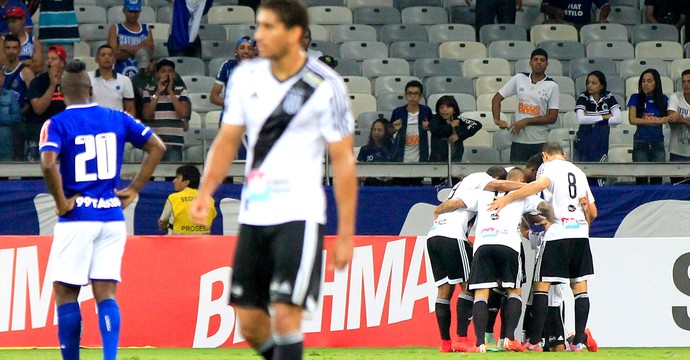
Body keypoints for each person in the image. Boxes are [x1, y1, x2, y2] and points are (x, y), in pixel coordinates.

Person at [188, 1, 357, 359]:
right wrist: (205, 191)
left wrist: (345, 234)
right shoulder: (245, 77)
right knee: (249, 323)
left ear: (294, 34)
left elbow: (343, 162)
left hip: (299, 213)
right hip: (254, 213)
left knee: (284, 314)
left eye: (267, 27)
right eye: (258, 26)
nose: (258, 36)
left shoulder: (326, 85)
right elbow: (227, 140)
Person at [38, 59, 165, 360]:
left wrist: (60, 202)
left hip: (77, 218)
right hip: (111, 217)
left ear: (61, 91)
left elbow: (47, 162)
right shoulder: (116, 117)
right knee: (105, 294)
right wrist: (134, 188)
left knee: (66, 292)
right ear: (92, 88)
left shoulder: (56, 124)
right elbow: (157, 146)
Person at [488, 142, 597, 352]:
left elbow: (539, 186)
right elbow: (592, 212)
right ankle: (578, 341)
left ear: (545, 156)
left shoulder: (547, 167)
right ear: (564, 154)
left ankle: (535, 340)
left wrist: (508, 197)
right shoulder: (579, 172)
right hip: (581, 234)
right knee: (580, 288)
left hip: (558, 233)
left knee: (541, 286)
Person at [448, 168, 549, 353]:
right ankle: (509, 338)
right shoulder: (524, 194)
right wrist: (551, 220)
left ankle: (480, 343)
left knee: (481, 293)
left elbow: (458, 203)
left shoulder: (482, 192)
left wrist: (440, 212)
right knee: (514, 290)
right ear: (521, 180)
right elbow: (544, 208)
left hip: (483, 244)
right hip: (508, 244)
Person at [429, 166, 526, 353]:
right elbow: (456, 203)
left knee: (444, 291)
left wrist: (439, 213)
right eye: (500, 182)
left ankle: (446, 343)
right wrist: (527, 187)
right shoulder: (481, 180)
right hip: (453, 236)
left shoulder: (465, 184)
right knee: (469, 286)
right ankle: (462, 339)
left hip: (434, 235)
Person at [492, 48, 559, 163]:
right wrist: (497, 120)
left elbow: (552, 118)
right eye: (535, 59)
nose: (538, 62)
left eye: (542, 60)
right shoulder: (519, 78)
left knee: (538, 176)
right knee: (518, 176)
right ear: (530, 62)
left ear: (547, 64)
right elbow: (496, 99)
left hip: (540, 141)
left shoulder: (552, 85)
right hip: (519, 140)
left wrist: (526, 121)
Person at [574, 70, 622, 186]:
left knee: (600, 169)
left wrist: (590, 117)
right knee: (585, 170)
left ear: (602, 85)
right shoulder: (583, 97)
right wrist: (605, 117)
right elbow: (581, 119)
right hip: (585, 137)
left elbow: (618, 119)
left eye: (594, 83)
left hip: (601, 138)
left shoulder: (609, 96)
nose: (589, 85)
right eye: (588, 83)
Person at [141, 58, 191, 162]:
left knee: (172, 175)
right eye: (163, 71)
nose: (167, 74)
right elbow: (147, 114)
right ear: (157, 75)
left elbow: (183, 113)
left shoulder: (181, 91)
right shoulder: (148, 91)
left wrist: (170, 92)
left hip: (174, 142)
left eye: (170, 71)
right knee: (151, 176)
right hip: (154, 143)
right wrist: (158, 93)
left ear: (174, 75)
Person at [25, 45, 67, 162]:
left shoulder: (70, 82)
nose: (49, 61)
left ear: (62, 63)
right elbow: (38, 108)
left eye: (54, 59)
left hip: (63, 132)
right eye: (48, 58)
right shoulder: (38, 82)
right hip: (41, 131)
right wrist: (52, 85)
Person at [627, 68, 668, 185]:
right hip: (641, 142)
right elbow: (632, 119)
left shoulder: (663, 99)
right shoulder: (635, 97)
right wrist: (654, 121)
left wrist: (656, 120)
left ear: (656, 82)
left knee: (657, 179)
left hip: (658, 142)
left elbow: (667, 118)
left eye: (649, 81)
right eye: (643, 81)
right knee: (641, 179)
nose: (645, 84)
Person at [390, 80, 432, 185]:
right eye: (410, 93)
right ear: (405, 95)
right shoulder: (398, 112)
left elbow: (433, 128)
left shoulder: (426, 111)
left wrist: (428, 128)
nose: (412, 96)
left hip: (419, 158)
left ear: (420, 97)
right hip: (400, 158)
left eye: (416, 94)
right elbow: (389, 132)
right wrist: (395, 128)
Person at [158, 165, 217, 234]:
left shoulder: (173, 198)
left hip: (177, 242)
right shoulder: (209, 199)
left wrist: (167, 225)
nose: (174, 181)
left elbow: (162, 222)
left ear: (186, 182)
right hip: (202, 243)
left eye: (177, 178)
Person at [2, 33, 34, 160]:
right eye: (8, 48)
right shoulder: (2, 71)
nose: (11, 51)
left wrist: (18, 114)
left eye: (14, 48)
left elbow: (32, 99)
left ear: (19, 50)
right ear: (4, 49)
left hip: (19, 124)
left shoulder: (25, 72)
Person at [108, 0, 154, 78]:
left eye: (136, 11)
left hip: (141, 76)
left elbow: (149, 54)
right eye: (130, 11)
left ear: (140, 11)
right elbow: (114, 55)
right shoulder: (115, 28)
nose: (133, 15)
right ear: (124, 11)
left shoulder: (146, 29)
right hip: (120, 74)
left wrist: (123, 47)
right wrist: (140, 48)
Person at [429, 95, 482, 163]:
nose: (444, 110)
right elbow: (434, 129)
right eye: (441, 107)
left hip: (456, 159)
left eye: (448, 107)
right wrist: (450, 126)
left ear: (454, 110)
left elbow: (476, 124)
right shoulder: (435, 119)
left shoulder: (459, 119)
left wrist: (458, 136)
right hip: (437, 162)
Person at [209, 36, 255, 110]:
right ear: (235, 51)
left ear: (253, 52)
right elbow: (213, 97)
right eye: (242, 48)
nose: (246, 51)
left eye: (249, 48)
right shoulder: (227, 66)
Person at [88, 45, 135, 114]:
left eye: (110, 55)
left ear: (114, 59)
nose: (107, 57)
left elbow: (130, 109)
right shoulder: (87, 78)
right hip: (93, 122)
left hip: (116, 122)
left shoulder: (125, 80)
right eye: (103, 55)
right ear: (96, 59)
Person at [0, 6, 42, 74]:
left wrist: (13, 63)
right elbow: (3, 64)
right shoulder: (3, 41)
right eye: (9, 22)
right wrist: (26, 62)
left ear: (23, 20)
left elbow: (38, 67)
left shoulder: (34, 41)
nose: (10, 25)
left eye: (14, 21)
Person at [666, 69, 690, 184]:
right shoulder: (675, 97)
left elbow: (676, 118)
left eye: (689, 81)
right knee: (677, 187)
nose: (686, 84)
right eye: (684, 81)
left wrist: (679, 117)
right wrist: (686, 121)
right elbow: (671, 118)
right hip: (677, 152)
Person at [357, 117, 393, 186]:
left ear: (386, 132)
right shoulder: (364, 149)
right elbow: (360, 174)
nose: (376, 132)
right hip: (368, 188)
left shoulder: (393, 150)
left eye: (379, 130)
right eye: (374, 130)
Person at [541, 0, 610, 28]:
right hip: (562, 24)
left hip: (584, 25)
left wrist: (602, 18)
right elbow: (543, 7)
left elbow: (606, 5)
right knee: (545, 24)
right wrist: (554, 10)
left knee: (605, 26)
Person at [0, 70, 20, 161]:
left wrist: (2, 119)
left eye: (0, 76)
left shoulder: (10, 95)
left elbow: (17, 117)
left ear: (3, 78)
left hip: (6, 146)